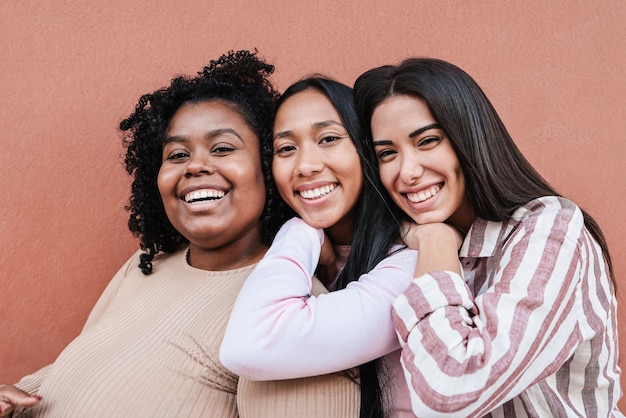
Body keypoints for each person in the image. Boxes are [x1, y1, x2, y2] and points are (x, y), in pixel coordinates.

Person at [0, 50, 361, 418]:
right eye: (176, 155)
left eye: (222, 148)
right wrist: (15, 395)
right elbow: (83, 371)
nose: (195, 166)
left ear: (268, 167)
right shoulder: (146, 266)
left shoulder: (291, 310)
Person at [353, 57, 623, 417]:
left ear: (469, 136)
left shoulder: (551, 230)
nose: (408, 171)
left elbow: (451, 390)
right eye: (387, 153)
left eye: (428, 141)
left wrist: (434, 241)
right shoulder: (397, 249)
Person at [220, 77, 418, 417]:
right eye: (286, 148)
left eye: (328, 139)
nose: (306, 165)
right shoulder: (291, 263)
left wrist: (300, 230)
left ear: (364, 149)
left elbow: (248, 345)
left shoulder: (411, 266)